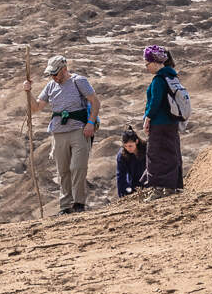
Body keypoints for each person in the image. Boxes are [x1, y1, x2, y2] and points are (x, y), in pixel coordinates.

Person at [25, 54, 100, 214]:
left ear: (64, 69)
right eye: (51, 74)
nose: (54, 77)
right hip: (59, 133)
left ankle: (79, 203)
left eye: (56, 73)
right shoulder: (50, 86)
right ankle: (65, 206)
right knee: (63, 171)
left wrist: (91, 123)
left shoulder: (79, 81)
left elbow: (95, 102)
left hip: (79, 130)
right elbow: (36, 107)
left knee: (78, 167)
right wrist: (28, 91)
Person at [139, 46, 184, 193]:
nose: (146, 67)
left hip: (159, 123)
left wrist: (148, 118)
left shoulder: (159, 79)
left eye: (147, 63)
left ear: (155, 62)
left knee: (155, 156)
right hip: (172, 123)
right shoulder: (172, 76)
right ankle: (172, 187)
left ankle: (157, 189)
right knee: (172, 153)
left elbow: (155, 101)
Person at [114, 127, 147, 197]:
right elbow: (120, 175)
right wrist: (122, 194)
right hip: (133, 185)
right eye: (125, 146)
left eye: (130, 146)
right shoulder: (122, 155)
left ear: (137, 141)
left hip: (148, 181)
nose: (128, 148)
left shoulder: (146, 149)